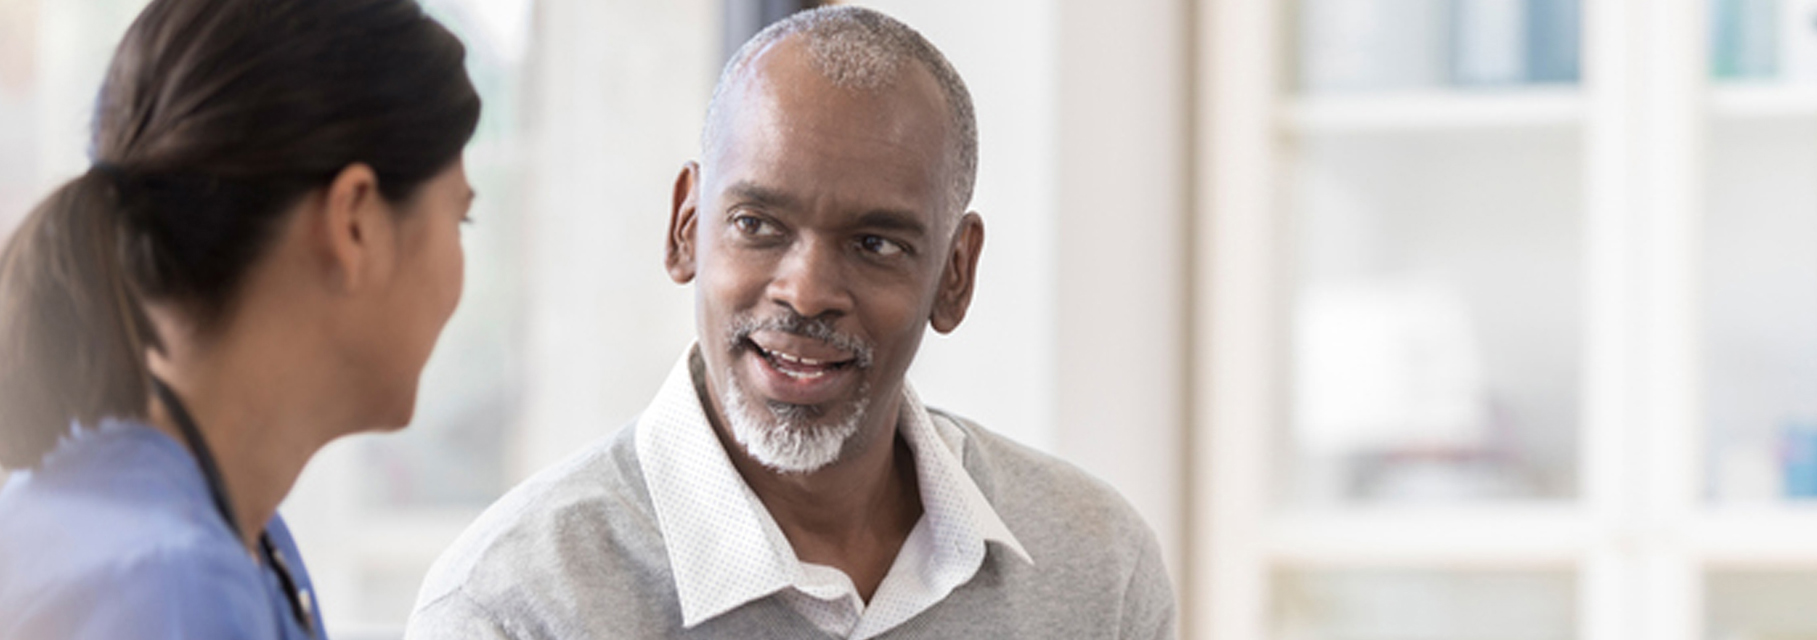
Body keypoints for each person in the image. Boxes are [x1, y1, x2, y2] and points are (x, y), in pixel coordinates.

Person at [407, 6, 1174, 639]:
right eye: (757, 224)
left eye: (875, 244)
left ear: (955, 274)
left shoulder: (1100, 571)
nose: (805, 293)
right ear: (686, 228)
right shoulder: (512, 607)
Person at [0, 0, 480, 637]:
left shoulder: (226, 537)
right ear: (355, 222)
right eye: (459, 218)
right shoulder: (172, 588)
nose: (459, 274)